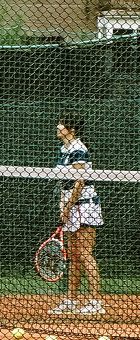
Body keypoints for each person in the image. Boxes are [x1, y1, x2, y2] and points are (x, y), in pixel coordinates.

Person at [48, 117, 104, 316]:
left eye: (61, 124)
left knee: (85, 253)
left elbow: (80, 182)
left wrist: (68, 207)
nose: (57, 127)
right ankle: (71, 300)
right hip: (70, 207)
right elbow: (62, 183)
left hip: (84, 206)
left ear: (70, 129)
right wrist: (63, 207)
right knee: (73, 257)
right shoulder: (64, 150)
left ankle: (96, 302)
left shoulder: (79, 149)